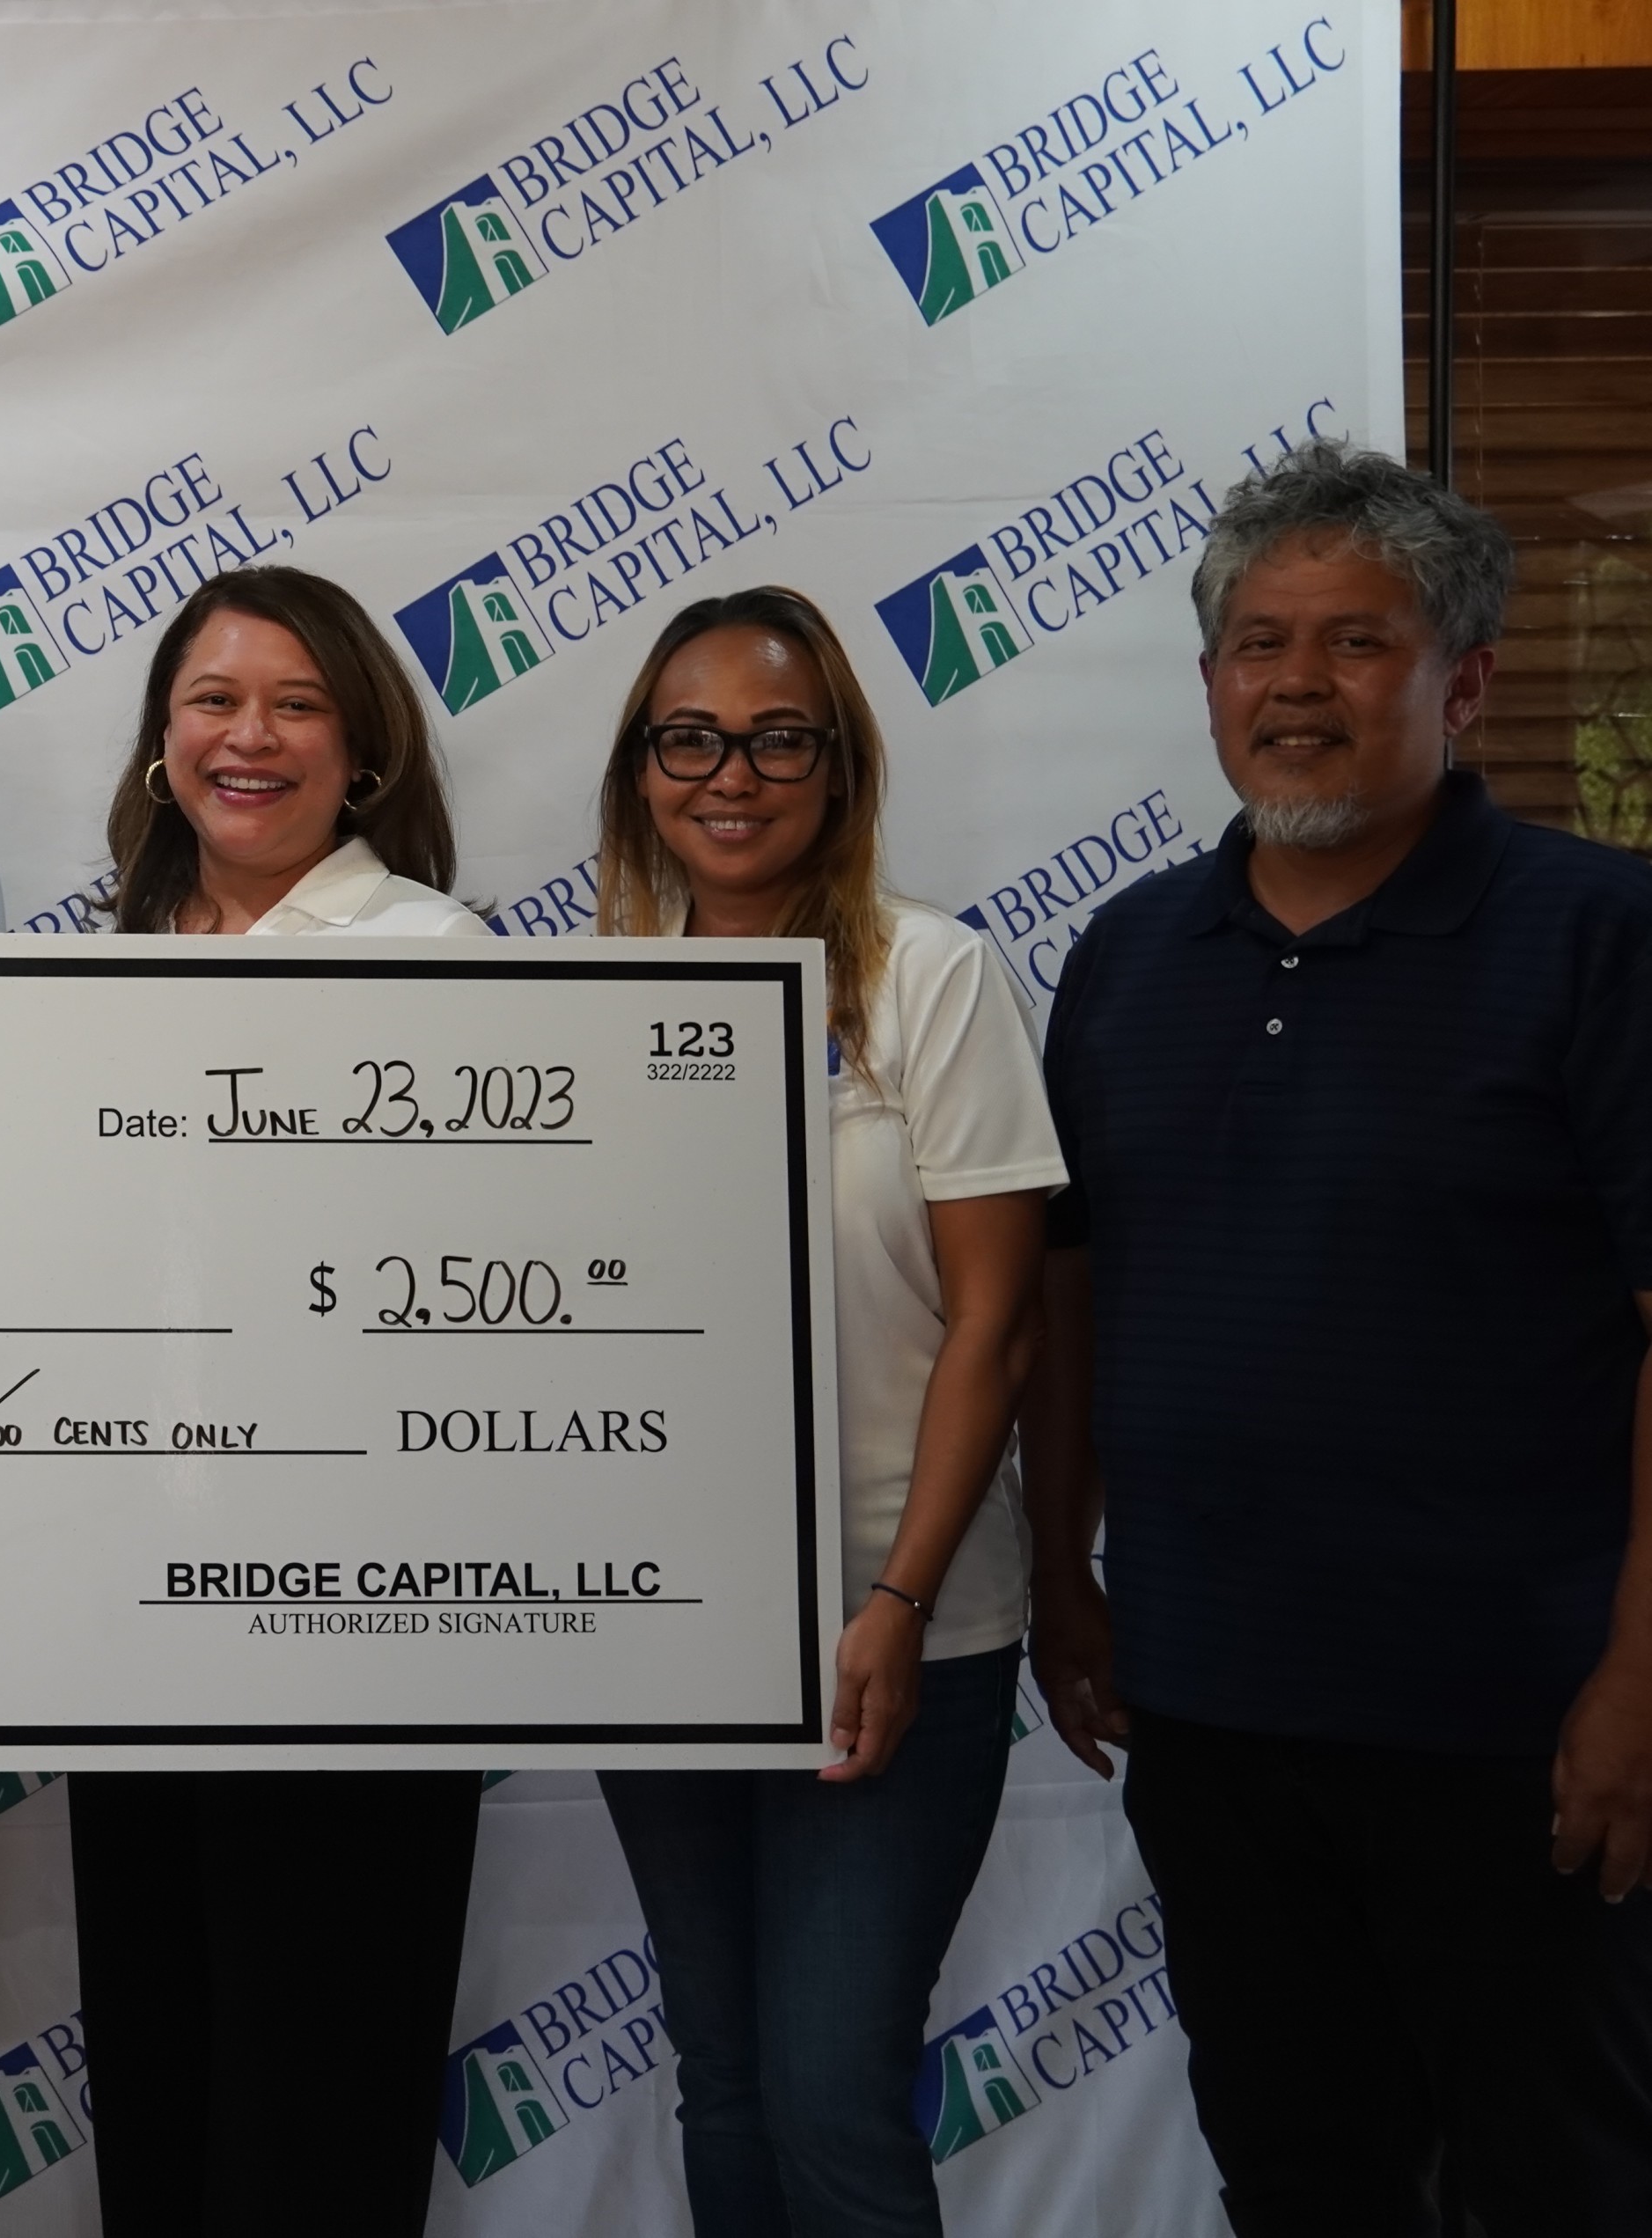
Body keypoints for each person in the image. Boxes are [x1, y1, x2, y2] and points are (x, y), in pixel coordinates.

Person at [1026, 440, 1652, 2235]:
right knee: (1302, 2181)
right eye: (1257, 641)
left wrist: (1641, 1682)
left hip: (1520, 1730)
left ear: (1463, 683)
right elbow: (1071, 1295)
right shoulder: (1130, 955)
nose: (1296, 682)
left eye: (1357, 641)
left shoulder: (1604, 941)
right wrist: (1071, 1581)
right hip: (1215, 1717)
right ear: (1210, 682)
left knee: (1563, 2184)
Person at [591, 588, 1060, 2235]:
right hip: (667, 1643)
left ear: (840, 762)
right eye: (691, 738)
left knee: (831, 2089)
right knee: (721, 2077)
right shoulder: (597, 997)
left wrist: (899, 1598)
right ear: (643, 772)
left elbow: (996, 1325)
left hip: (899, 1630)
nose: (734, 772)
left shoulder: (933, 979)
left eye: (778, 736)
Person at [67, 566, 489, 2236]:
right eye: (213, 702)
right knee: (161, 2100)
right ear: (162, 741)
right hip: (131, 1637)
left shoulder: (434, 957)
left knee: (324, 2116)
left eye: (296, 705)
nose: (250, 738)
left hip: (360, 1643)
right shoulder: (103, 970)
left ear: (363, 749)